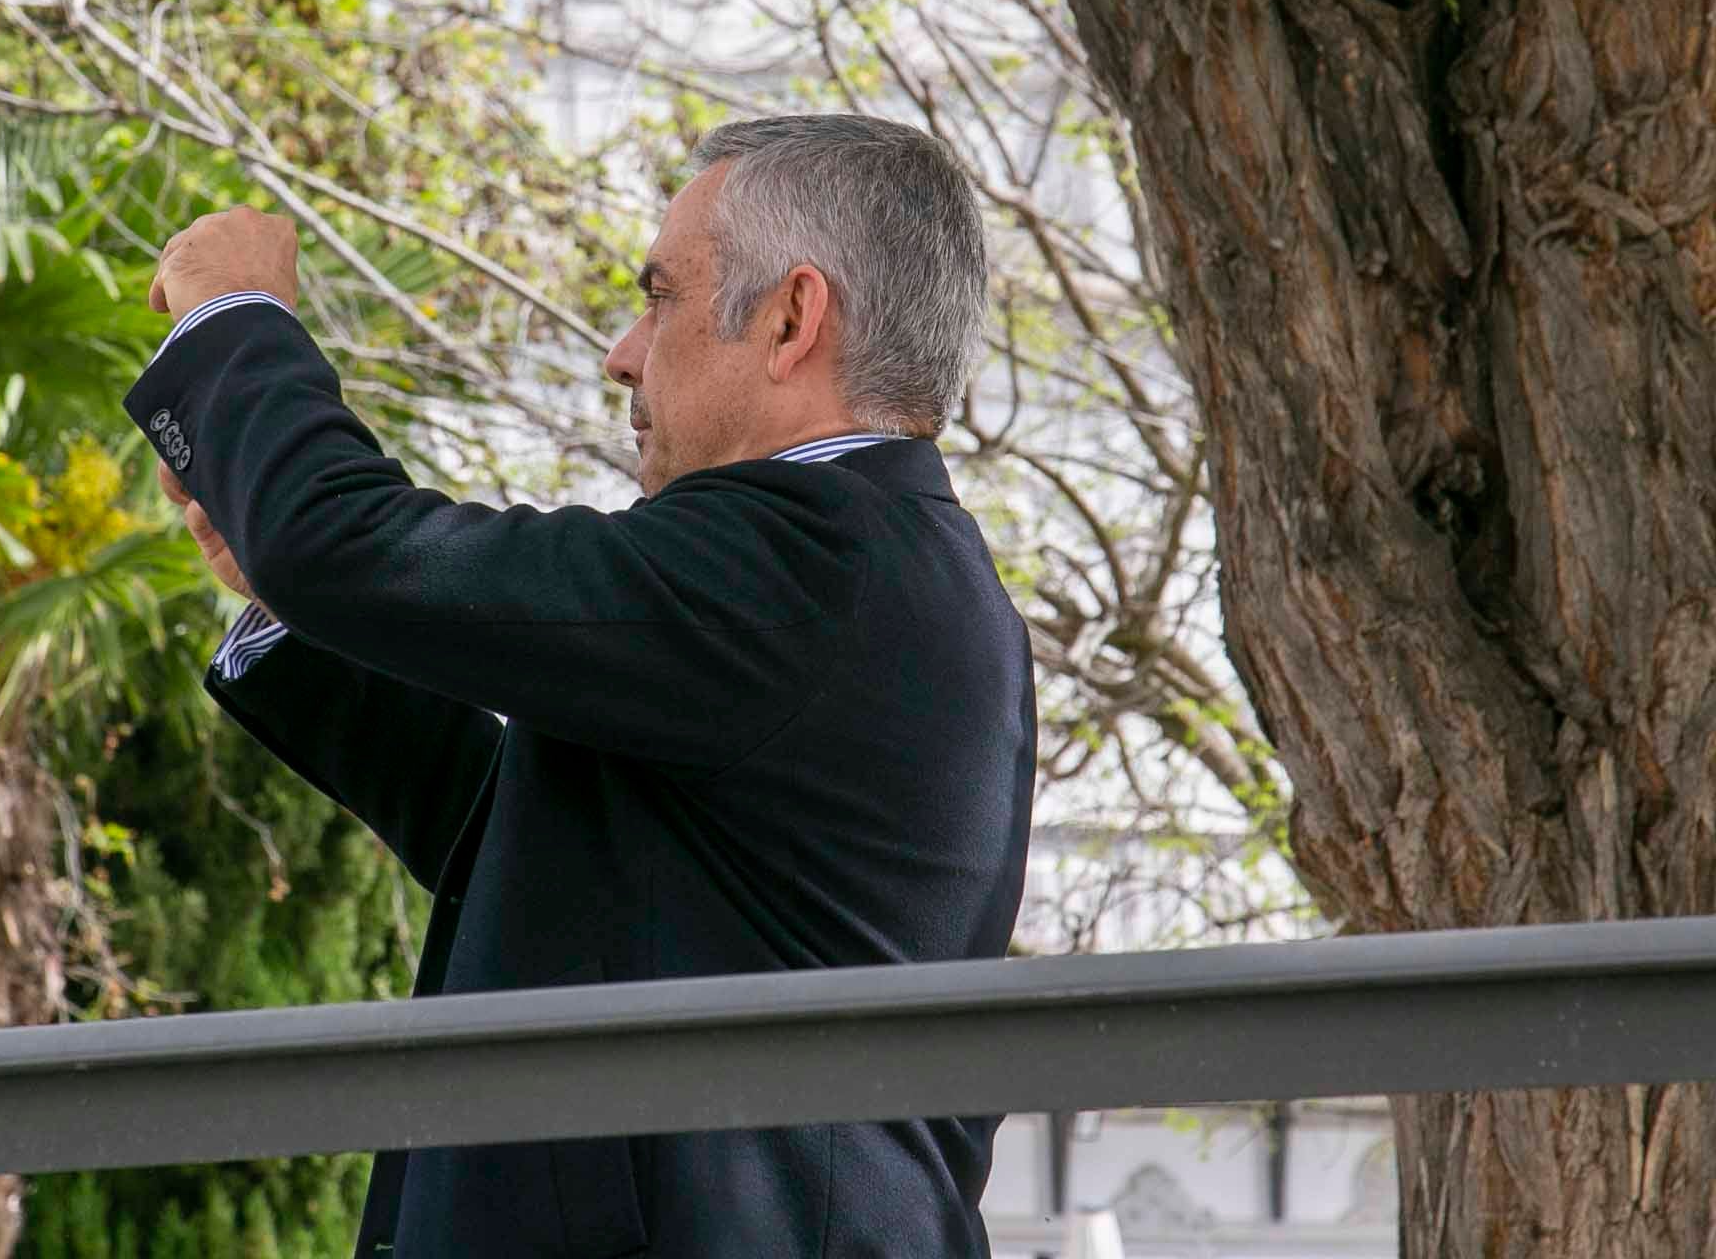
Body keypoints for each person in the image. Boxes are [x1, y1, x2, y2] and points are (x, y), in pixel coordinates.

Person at [131, 112, 1037, 1258]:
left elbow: (349, 544)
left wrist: (234, 318)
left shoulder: (818, 558)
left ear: (792, 318)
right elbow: (539, 840)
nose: (621, 349)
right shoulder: (857, 566)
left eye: (658, 296)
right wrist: (287, 597)